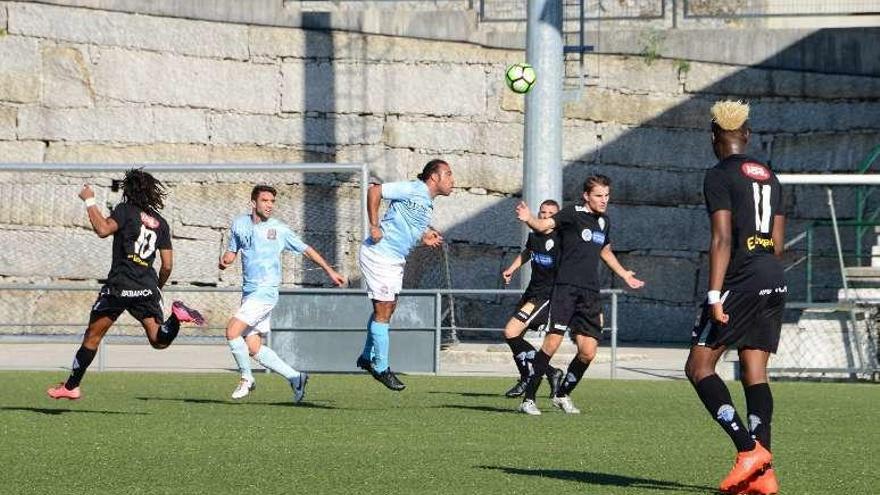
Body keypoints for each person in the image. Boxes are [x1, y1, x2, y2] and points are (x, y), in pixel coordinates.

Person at [684, 100, 784, 495]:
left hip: (739, 279)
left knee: (699, 366)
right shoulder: (770, 176)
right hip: (772, 277)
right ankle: (764, 477)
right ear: (746, 135)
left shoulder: (718, 175)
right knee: (754, 373)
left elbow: (722, 238)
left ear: (714, 138)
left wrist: (714, 294)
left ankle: (748, 451)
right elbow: (776, 242)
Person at [47, 169, 205, 400]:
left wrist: (89, 199)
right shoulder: (160, 223)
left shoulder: (125, 210)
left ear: (127, 190)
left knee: (92, 336)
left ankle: (71, 386)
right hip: (147, 287)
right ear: (152, 192)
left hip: (119, 286)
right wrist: (157, 287)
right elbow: (167, 265)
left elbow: (102, 229)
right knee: (158, 340)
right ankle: (176, 317)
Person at [514, 175, 645, 415]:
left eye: (607, 195)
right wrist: (529, 219)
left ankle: (561, 394)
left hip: (590, 293)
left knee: (588, 352)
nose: (604, 200)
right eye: (598, 196)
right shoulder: (572, 213)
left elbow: (605, 252)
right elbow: (543, 226)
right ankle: (528, 399)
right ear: (586, 196)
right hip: (565, 288)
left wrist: (624, 274)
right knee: (551, 343)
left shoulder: (604, 222)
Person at [219, 185, 346, 402]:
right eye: (265, 201)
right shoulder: (240, 224)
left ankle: (246, 378)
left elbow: (307, 249)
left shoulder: (279, 229)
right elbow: (232, 251)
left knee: (232, 332)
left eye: (272, 201)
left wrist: (329, 270)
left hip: (266, 291)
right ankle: (296, 377)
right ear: (253, 203)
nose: (269, 205)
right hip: (249, 292)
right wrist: (226, 261)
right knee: (254, 347)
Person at [357, 159, 454, 391]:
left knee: (388, 309)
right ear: (434, 177)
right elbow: (375, 190)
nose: (453, 181)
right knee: (383, 308)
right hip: (379, 254)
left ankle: (366, 356)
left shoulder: (427, 203)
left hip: (394, 259)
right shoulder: (415, 188)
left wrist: (424, 235)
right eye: (448, 174)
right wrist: (374, 224)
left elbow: (405, 222)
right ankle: (381, 367)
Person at [500, 199, 563, 398]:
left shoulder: (561, 239)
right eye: (542, 212)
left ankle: (529, 377)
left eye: (550, 213)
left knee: (510, 332)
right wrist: (511, 269)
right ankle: (548, 373)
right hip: (531, 293)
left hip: (545, 296)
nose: (545, 216)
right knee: (515, 338)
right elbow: (528, 253)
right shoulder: (534, 236)